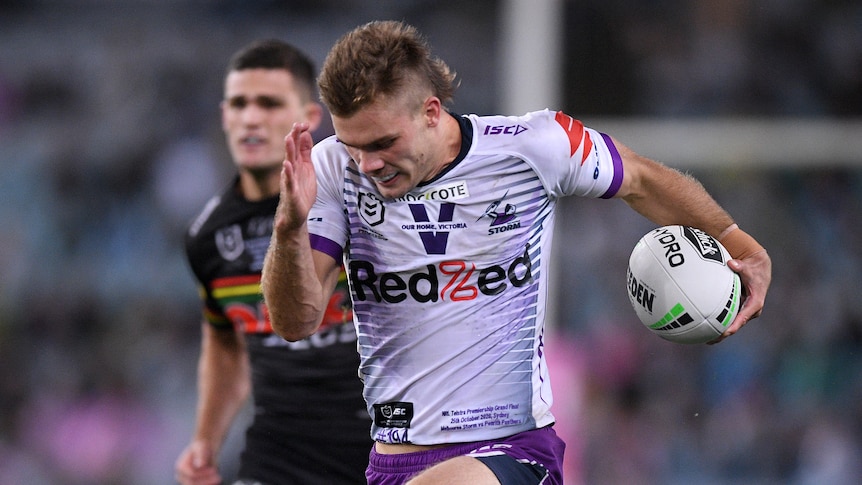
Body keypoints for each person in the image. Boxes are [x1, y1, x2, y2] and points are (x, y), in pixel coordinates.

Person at [261, 20, 772, 485]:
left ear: (431, 111)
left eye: (383, 142)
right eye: (353, 144)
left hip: (512, 452)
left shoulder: (532, 147)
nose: (367, 163)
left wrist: (741, 244)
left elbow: (641, 179)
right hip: (393, 462)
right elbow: (295, 321)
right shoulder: (329, 170)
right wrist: (288, 230)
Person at [175, 39, 371, 485]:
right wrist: (205, 440)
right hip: (281, 454)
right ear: (225, 115)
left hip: (386, 446)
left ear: (311, 118)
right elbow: (226, 342)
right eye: (239, 104)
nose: (251, 118)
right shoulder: (206, 237)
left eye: (269, 103)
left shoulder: (363, 202)